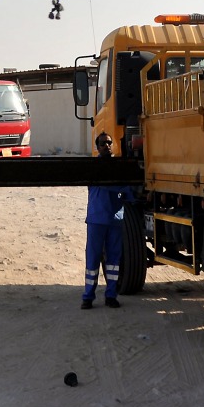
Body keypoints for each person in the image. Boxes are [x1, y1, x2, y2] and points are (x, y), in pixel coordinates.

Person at [81, 132, 133, 310]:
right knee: (93, 259)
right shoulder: (94, 167)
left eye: (109, 142)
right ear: (97, 147)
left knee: (113, 261)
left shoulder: (118, 167)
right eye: (103, 143)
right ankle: (88, 296)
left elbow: (128, 192)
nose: (106, 145)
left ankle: (111, 295)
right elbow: (113, 186)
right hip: (97, 220)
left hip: (114, 220)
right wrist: (125, 187)